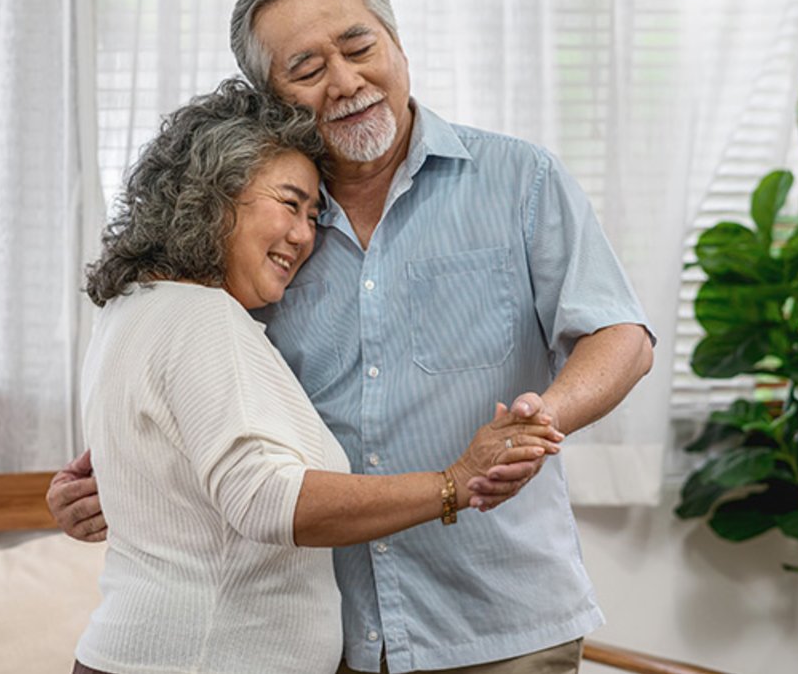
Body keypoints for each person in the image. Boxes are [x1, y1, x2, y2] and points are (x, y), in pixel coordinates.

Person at [51, 0, 656, 674]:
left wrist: (539, 421)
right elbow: (202, 407)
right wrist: (129, 481)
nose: (345, 81)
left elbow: (621, 334)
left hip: (500, 623)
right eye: (306, 69)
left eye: (359, 46)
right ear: (271, 98)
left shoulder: (519, 179)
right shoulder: (255, 239)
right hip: (334, 635)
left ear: (397, 43)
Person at [70, 78, 561, 674]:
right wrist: (454, 483)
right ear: (214, 195)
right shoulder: (202, 317)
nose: (305, 236)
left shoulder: (132, 307)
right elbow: (265, 500)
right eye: (289, 203)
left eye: (314, 213)